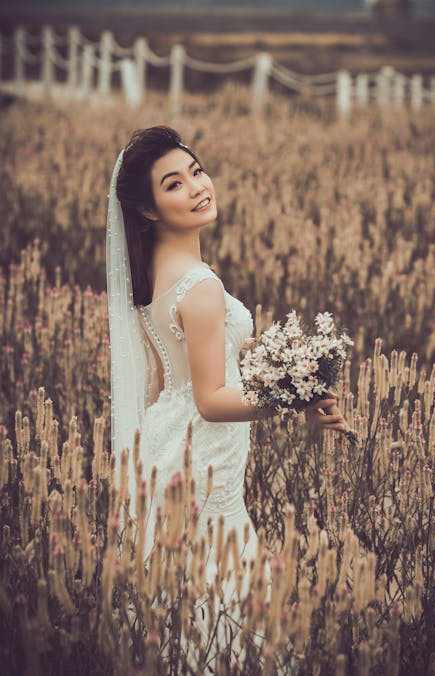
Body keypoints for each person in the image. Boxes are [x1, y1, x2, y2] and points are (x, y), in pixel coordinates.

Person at [105, 125, 347, 669]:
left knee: (179, 586)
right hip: (206, 456)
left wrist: (291, 371)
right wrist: (293, 399)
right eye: (174, 184)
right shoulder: (200, 286)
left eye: (196, 171)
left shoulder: (149, 278)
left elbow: (167, 382)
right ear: (148, 210)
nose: (196, 187)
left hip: (167, 444)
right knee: (224, 583)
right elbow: (213, 398)